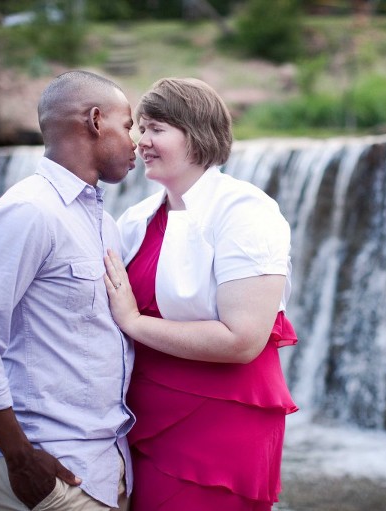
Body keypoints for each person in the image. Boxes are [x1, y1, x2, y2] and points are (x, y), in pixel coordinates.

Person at [0, 70, 137, 511]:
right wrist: (19, 457)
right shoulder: (28, 212)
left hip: (104, 469)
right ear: (95, 120)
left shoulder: (102, 224)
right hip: (51, 470)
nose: (135, 141)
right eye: (128, 125)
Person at [102, 77, 298, 511]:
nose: (142, 142)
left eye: (157, 129)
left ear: (197, 134)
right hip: (143, 422)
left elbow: (242, 340)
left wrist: (135, 322)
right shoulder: (138, 219)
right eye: (141, 129)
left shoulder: (247, 213)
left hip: (220, 422)